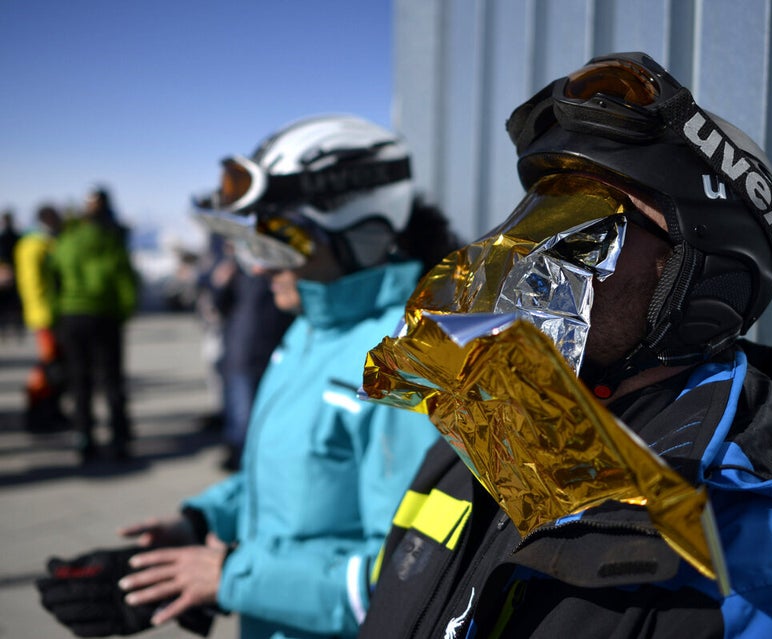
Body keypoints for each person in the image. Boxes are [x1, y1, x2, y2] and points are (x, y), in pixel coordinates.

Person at [358, 52, 772, 638]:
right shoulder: (468, 447)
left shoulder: (769, 580)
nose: (533, 252)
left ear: (700, 283)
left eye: (591, 225)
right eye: (539, 214)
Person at [37, 115, 459, 639]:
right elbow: (296, 479)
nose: (257, 269)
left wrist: (230, 578)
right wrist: (202, 523)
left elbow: (410, 578)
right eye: (249, 244)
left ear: (362, 236)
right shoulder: (310, 331)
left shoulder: (407, 363)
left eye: (276, 245)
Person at [50, 187, 139, 462]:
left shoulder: (67, 241)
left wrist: (57, 315)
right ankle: (119, 439)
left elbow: (54, 276)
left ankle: (84, 438)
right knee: (111, 379)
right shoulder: (111, 240)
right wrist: (125, 310)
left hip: (72, 316)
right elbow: (124, 278)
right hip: (106, 316)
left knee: (80, 380)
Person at [208, 247, 293, 471]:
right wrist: (219, 283)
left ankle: (248, 462)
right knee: (241, 413)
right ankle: (242, 461)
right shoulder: (236, 265)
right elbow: (219, 304)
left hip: (262, 351)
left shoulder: (266, 267)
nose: (259, 269)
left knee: (254, 414)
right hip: (242, 351)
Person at [14, 205, 69, 431]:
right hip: (45, 315)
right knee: (48, 364)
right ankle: (38, 409)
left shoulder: (42, 243)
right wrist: (47, 312)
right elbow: (33, 285)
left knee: (54, 364)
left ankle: (50, 408)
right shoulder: (34, 245)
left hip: (48, 313)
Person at [0, 209, 24, 340]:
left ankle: (8, 328)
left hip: (8, 272)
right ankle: (16, 327)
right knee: (12, 303)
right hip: (15, 272)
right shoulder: (16, 236)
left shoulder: (5, 237)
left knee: (7, 304)